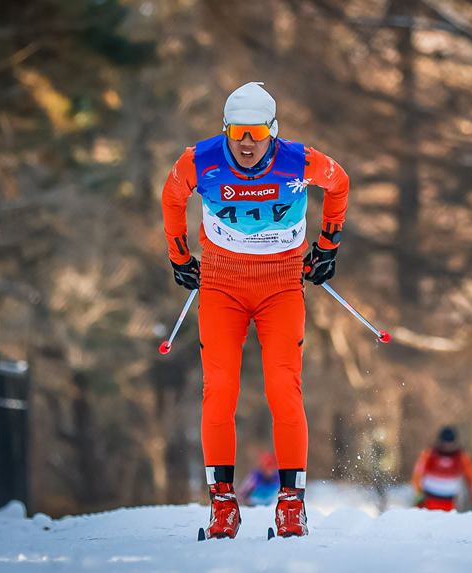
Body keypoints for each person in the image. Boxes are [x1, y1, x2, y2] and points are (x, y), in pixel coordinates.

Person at [161, 81, 349, 539]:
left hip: (281, 283)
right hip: (221, 283)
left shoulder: (300, 160)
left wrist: (328, 245)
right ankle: (222, 502)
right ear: (225, 130)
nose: (246, 143)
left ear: (273, 130)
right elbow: (172, 196)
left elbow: (339, 182)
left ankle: (290, 504)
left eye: (257, 132)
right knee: (219, 390)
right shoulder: (200, 159)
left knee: (283, 388)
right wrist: (179, 255)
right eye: (238, 132)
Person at [411, 426, 472, 512]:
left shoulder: (461, 458)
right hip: (427, 502)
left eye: (450, 443)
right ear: (440, 442)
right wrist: (419, 492)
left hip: (449, 504)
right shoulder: (429, 454)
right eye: (445, 443)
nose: (448, 446)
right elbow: (417, 474)